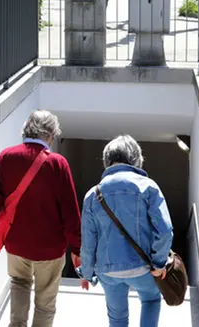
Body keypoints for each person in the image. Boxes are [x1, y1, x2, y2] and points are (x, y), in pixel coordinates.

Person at [0, 110, 81, 327]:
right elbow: (70, 212)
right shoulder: (58, 164)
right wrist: (78, 249)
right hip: (50, 249)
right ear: (50, 135)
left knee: (19, 284)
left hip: (17, 244)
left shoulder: (5, 157)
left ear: (26, 130)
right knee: (45, 302)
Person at [77, 135, 174, 327]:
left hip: (108, 271)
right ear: (136, 159)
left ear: (107, 160)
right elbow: (164, 230)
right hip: (143, 267)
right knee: (151, 300)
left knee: (117, 318)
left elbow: (88, 242)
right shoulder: (148, 187)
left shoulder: (92, 194)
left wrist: (87, 274)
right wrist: (159, 263)